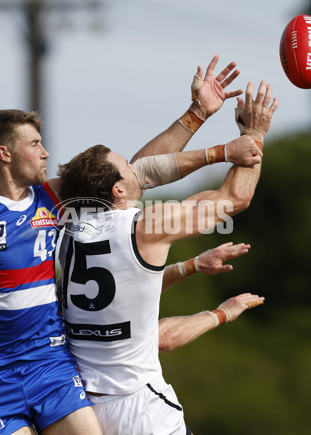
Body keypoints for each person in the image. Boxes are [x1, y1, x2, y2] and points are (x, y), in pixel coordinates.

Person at [0, 55, 246, 435]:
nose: (46, 152)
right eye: (34, 144)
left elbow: (131, 173)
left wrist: (197, 115)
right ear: (4, 154)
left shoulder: (52, 199)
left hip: (51, 367)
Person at [55, 80, 277, 434]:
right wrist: (255, 133)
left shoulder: (64, 230)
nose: (138, 167)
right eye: (127, 165)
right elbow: (235, 198)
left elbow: (144, 170)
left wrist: (198, 114)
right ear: (118, 189)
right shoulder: (147, 225)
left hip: (79, 409)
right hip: (142, 412)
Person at [0, 241, 263, 435]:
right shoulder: (38, 305)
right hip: (122, 410)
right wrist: (219, 313)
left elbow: (128, 295)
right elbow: (158, 333)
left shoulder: (40, 304)